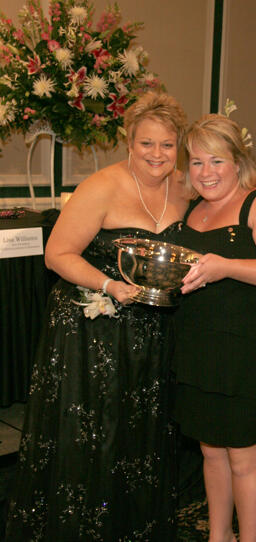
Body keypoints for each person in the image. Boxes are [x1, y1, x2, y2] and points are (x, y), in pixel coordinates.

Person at [5, 91, 188, 542]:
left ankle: (133, 524)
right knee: (98, 431)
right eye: (147, 143)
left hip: (156, 328)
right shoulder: (102, 186)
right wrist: (109, 286)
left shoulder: (185, 185)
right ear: (129, 142)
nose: (157, 154)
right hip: (95, 328)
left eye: (167, 144)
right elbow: (57, 255)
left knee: (140, 429)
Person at [172, 113, 256, 542]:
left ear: (237, 161)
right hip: (200, 345)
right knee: (212, 452)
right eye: (196, 162)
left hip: (251, 350)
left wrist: (224, 267)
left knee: (246, 458)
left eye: (216, 161)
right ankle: (219, 536)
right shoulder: (193, 210)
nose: (205, 173)